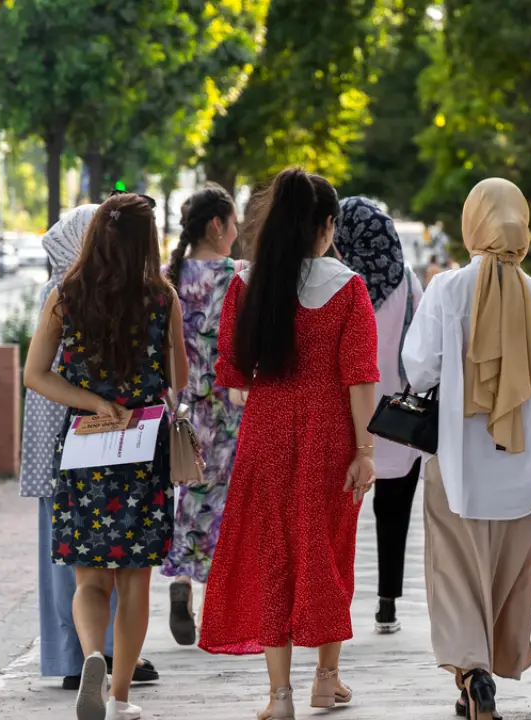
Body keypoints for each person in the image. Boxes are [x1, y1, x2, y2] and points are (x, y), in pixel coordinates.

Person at [198, 168, 380, 720]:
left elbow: (233, 371)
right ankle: (327, 679)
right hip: (332, 436)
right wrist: (365, 452)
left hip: (266, 433)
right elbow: (360, 379)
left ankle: (280, 697)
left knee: (272, 554)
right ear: (326, 226)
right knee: (329, 551)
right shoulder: (348, 288)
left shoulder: (247, 284)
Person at [402, 177, 531, 720]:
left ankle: (472, 672)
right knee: (505, 573)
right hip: (520, 467)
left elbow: (419, 369)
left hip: (457, 461)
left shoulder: (446, 290)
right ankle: (484, 670)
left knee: (455, 572)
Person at [24, 193, 185, 720]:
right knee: (135, 580)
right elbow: (178, 377)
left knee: (89, 578)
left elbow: (35, 374)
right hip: (143, 451)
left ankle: (92, 654)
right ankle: (119, 697)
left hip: (84, 449)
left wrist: (93, 401)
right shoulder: (161, 298)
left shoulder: (65, 295)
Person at [332, 196, 424, 634]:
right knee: (395, 511)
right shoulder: (407, 280)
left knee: (340, 514)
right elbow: (422, 345)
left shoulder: (337, 283)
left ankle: (334, 601)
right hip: (398, 416)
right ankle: (387, 603)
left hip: (347, 412)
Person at [159, 184, 246, 646]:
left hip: (180, 408)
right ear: (216, 224)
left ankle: (181, 582)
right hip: (230, 406)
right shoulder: (237, 276)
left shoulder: (166, 276)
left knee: (187, 494)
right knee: (226, 502)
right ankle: (217, 605)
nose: (235, 233)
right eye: (233, 224)